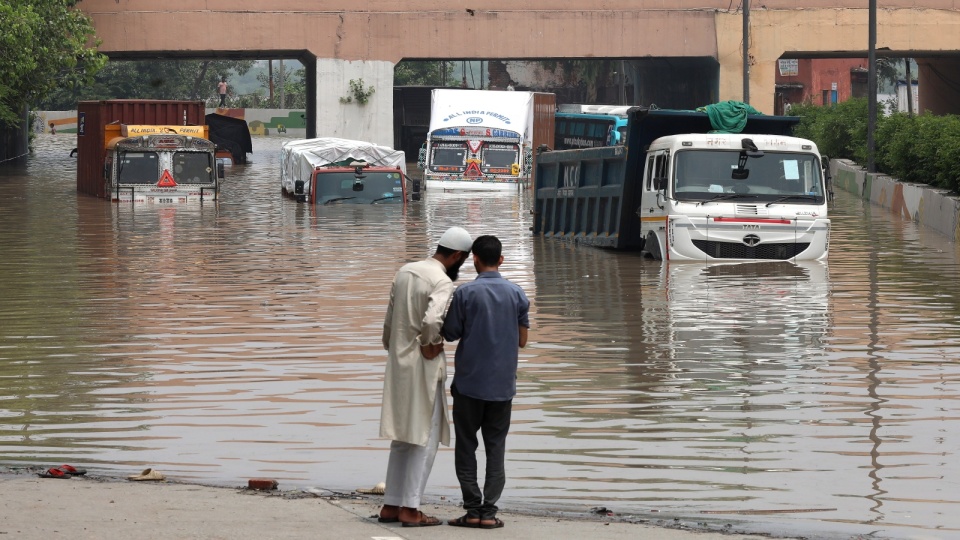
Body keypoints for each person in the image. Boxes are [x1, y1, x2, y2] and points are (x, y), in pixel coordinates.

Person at [378, 226, 474, 527]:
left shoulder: (405, 271)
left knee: (402, 437)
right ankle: (411, 509)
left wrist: (397, 349)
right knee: (425, 438)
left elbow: (389, 324)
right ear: (457, 256)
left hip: (399, 364)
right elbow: (433, 320)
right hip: (423, 366)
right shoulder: (441, 281)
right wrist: (430, 343)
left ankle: (391, 505)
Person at [441, 235, 529, 530]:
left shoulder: (464, 293)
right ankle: (489, 513)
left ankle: (472, 509)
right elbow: (523, 341)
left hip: (468, 386)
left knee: (466, 446)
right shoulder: (517, 294)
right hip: (502, 388)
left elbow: (450, 334)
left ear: (474, 259)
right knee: (496, 448)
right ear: (501, 260)